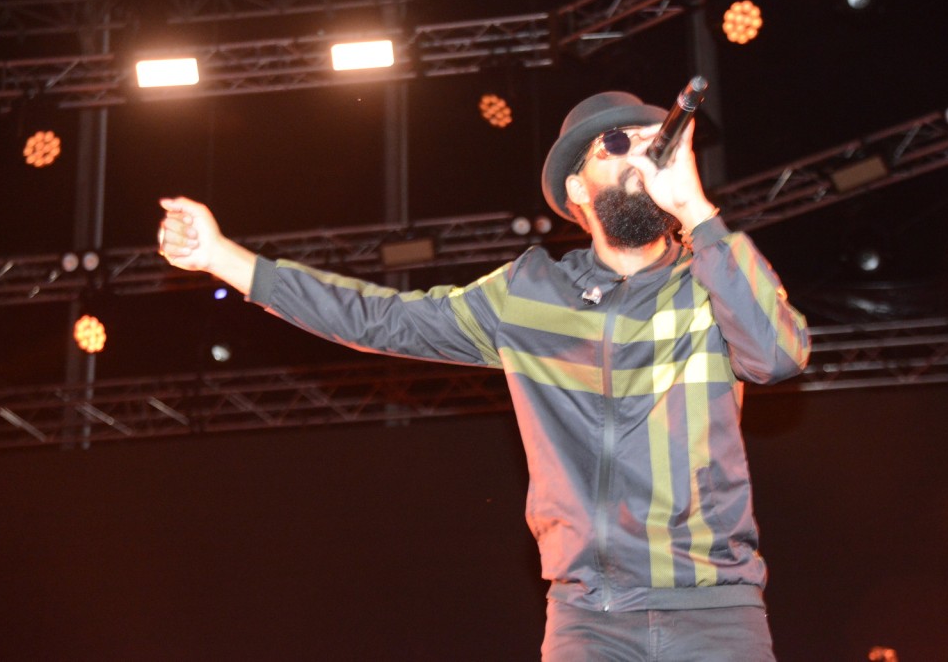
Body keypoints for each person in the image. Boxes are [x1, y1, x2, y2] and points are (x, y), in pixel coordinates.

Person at [158, 90, 810, 661]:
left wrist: (697, 211)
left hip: (714, 613)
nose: (641, 154)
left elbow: (777, 356)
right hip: (591, 621)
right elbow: (381, 319)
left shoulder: (715, 275)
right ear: (577, 190)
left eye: (652, 141)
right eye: (616, 143)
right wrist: (222, 257)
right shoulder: (530, 293)